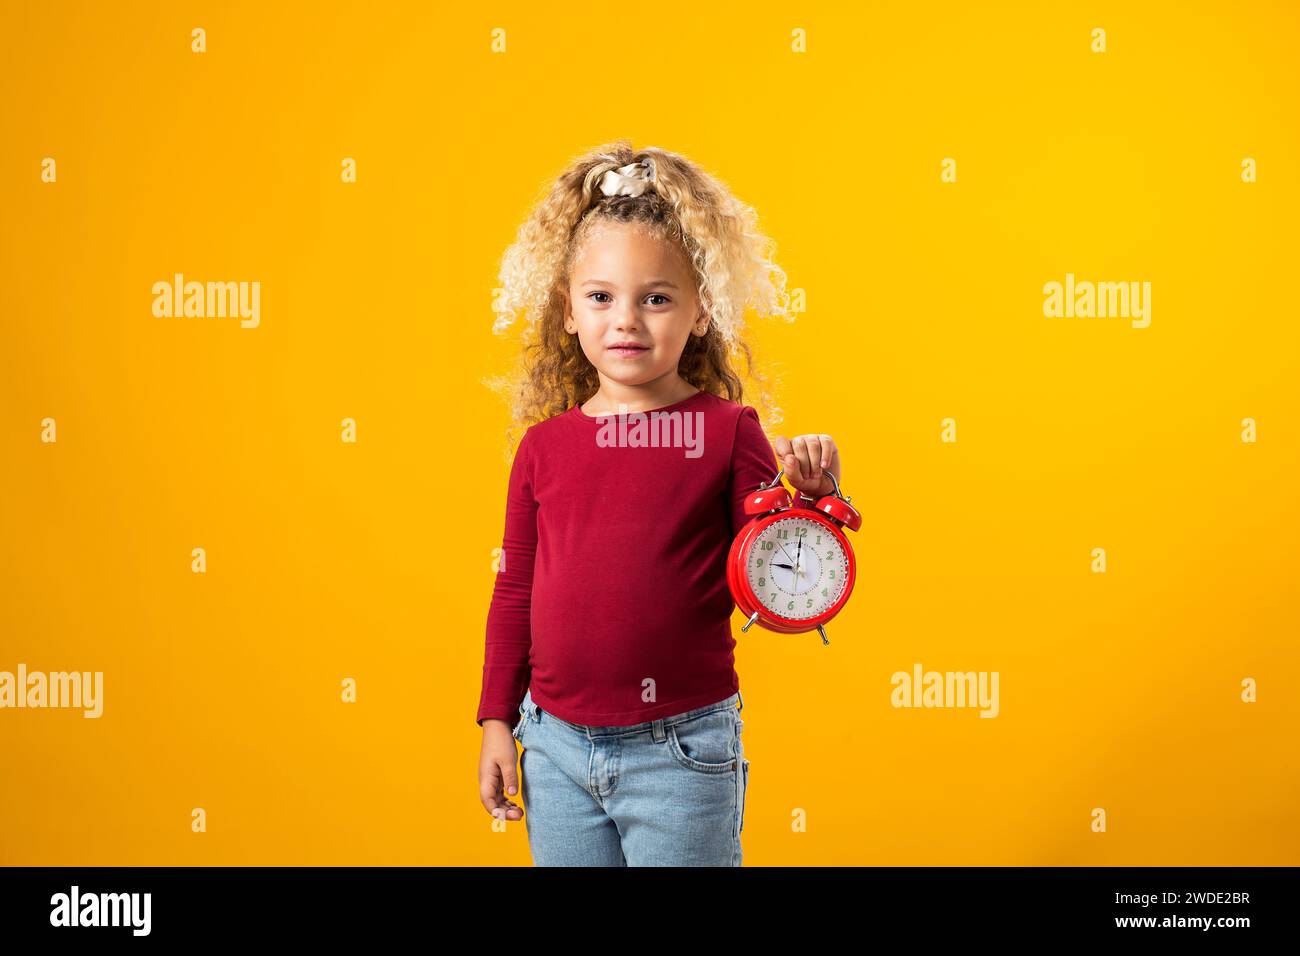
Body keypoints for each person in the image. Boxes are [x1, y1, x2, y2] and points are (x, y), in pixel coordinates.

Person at [475, 141, 843, 865]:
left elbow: (773, 585)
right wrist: (496, 719)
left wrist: (812, 500)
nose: (627, 320)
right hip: (551, 748)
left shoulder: (729, 433)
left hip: (679, 752)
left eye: (657, 297)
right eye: (601, 297)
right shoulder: (542, 449)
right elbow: (514, 587)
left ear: (702, 310)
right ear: (569, 311)